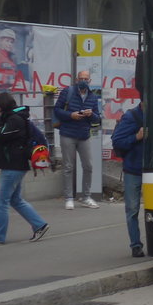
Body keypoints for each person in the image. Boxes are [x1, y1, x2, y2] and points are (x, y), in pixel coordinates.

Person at [0, 92, 49, 246]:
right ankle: (39, 225)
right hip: (15, 164)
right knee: (15, 200)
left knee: (1, 202)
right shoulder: (15, 118)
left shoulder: (15, 120)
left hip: (13, 165)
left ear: (2, 106)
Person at [54, 70, 103, 210]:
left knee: (88, 166)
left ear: (89, 81)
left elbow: (97, 119)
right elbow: (57, 110)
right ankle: (69, 198)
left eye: (85, 79)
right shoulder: (67, 92)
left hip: (84, 135)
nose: (83, 81)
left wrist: (91, 114)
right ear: (76, 79)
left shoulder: (93, 97)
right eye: (81, 78)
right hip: (67, 134)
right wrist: (71, 115)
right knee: (68, 167)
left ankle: (86, 197)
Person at [112, 99, 146, 258]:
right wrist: (136, 137)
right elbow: (117, 140)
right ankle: (136, 245)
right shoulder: (131, 116)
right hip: (133, 170)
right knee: (132, 209)